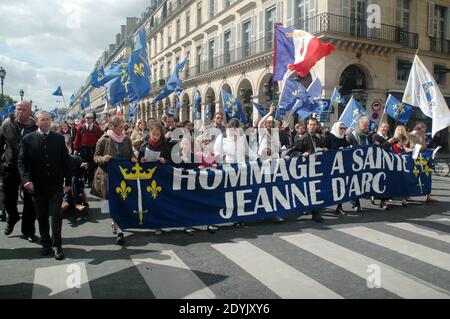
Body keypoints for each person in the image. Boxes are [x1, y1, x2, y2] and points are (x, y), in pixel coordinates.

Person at [18, 111, 72, 260]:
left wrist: (68, 182)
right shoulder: (28, 139)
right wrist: (26, 180)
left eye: (48, 120)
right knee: (41, 217)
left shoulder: (59, 139)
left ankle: (57, 246)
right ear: (36, 122)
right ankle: (46, 244)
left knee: (56, 217)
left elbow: (65, 161)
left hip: (56, 185)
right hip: (37, 186)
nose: (46, 122)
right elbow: (22, 163)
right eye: (42, 120)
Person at [93, 116, 137, 245]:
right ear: (112, 126)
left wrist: (133, 158)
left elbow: (131, 154)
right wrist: (103, 159)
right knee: (113, 202)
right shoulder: (103, 140)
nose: (122, 129)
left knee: (122, 200)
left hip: (123, 176)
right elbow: (95, 157)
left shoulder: (127, 139)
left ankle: (118, 224)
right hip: (108, 176)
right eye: (119, 127)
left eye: (123, 127)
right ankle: (118, 228)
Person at [0, 101, 38, 241]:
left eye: (23, 109)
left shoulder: (36, 127)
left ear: (29, 111)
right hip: (10, 168)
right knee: (8, 198)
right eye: (18, 109)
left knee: (30, 201)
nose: (20, 111)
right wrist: (3, 159)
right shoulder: (7, 125)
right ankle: (13, 217)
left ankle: (28, 231)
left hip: (30, 169)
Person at [286, 117, 326, 223]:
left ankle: (315, 212)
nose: (312, 127)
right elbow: (292, 152)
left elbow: (320, 149)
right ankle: (314, 213)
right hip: (306, 169)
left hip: (316, 168)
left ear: (317, 126)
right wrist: (301, 154)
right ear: (307, 126)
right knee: (310, 190)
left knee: (315, 190)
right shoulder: (303, 138)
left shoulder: (318, 139)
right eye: (310, 125)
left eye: (314, 125)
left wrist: (324, 150)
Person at [138, 124, 171, 236]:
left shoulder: (165, 147)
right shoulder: (144, 146)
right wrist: (141, 160)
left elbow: (170, 162)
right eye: (153, 134)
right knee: (149, 200)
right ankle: (148, 221)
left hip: (160, 177)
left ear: (161, 135)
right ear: (150, 134)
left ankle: (158, 224)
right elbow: (138, 162)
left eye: (158, 134)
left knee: (159, 201)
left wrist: (164, 161)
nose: (155, 136)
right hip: (147, 177)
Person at [407, 123, 437, 203]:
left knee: (426, 176)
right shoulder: (410, 135)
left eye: (424, 131)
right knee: (411, 176)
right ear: (418, 128)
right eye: (422, 130)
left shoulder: (422, 136)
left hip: (423, 158)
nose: (423, 132)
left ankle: (428, 196)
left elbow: (424, 147)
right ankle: (407, 196)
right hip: (413, 158)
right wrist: (411, 150)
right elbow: (405, 146)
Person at [325, 122, 350, 216]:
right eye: (341, 128)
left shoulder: (344, 138)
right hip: (330, 167)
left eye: (344, 128)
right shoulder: (329, 137)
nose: (343, 130)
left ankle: (339, 207)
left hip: (341, 166)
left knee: (341, 186)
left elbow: (348, 147)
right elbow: (324, 149)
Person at [347, 116, 371, 212]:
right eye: (365, 125)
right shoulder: (351, 136)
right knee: (354, 183)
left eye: (368, 125)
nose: (366, 127)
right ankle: (355, 203)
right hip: (354, 164)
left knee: (360, 184)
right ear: (359, 124)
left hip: (364, 163)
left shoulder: (368, 136)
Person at [371, 122, 397, 210]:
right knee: (380, 180)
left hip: (388, 162)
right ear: (379, 128)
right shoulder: (375, 136)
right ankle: (382, 201)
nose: (385, 129)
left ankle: (383, 198)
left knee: (387, 180)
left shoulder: (388, 137)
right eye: (383, 127)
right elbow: (377, 148)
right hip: (378, 162)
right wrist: (388, 143)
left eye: (386, 127)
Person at [74, 113, 103, 187]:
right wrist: (75, 149)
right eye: (86, 118)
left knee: (92, 165)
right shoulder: (81, 128)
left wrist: (100, 149)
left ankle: (91, 181)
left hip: (93, 149)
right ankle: (84, 179)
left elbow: (101, 139)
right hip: (83, 149)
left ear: (93, 119)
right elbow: (77, 139)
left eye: (89, 118)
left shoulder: (97, 128)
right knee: (83, 164)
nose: (88, 119)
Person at [392, 126, 413, 207]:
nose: (403, 143)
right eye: (399, 129)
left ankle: (404, 199)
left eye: (402, 129)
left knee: (404, 182)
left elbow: (406, 149)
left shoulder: (404, 143)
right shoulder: (393, 143)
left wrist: (412, 150)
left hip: (403, 167)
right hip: (395, 167)